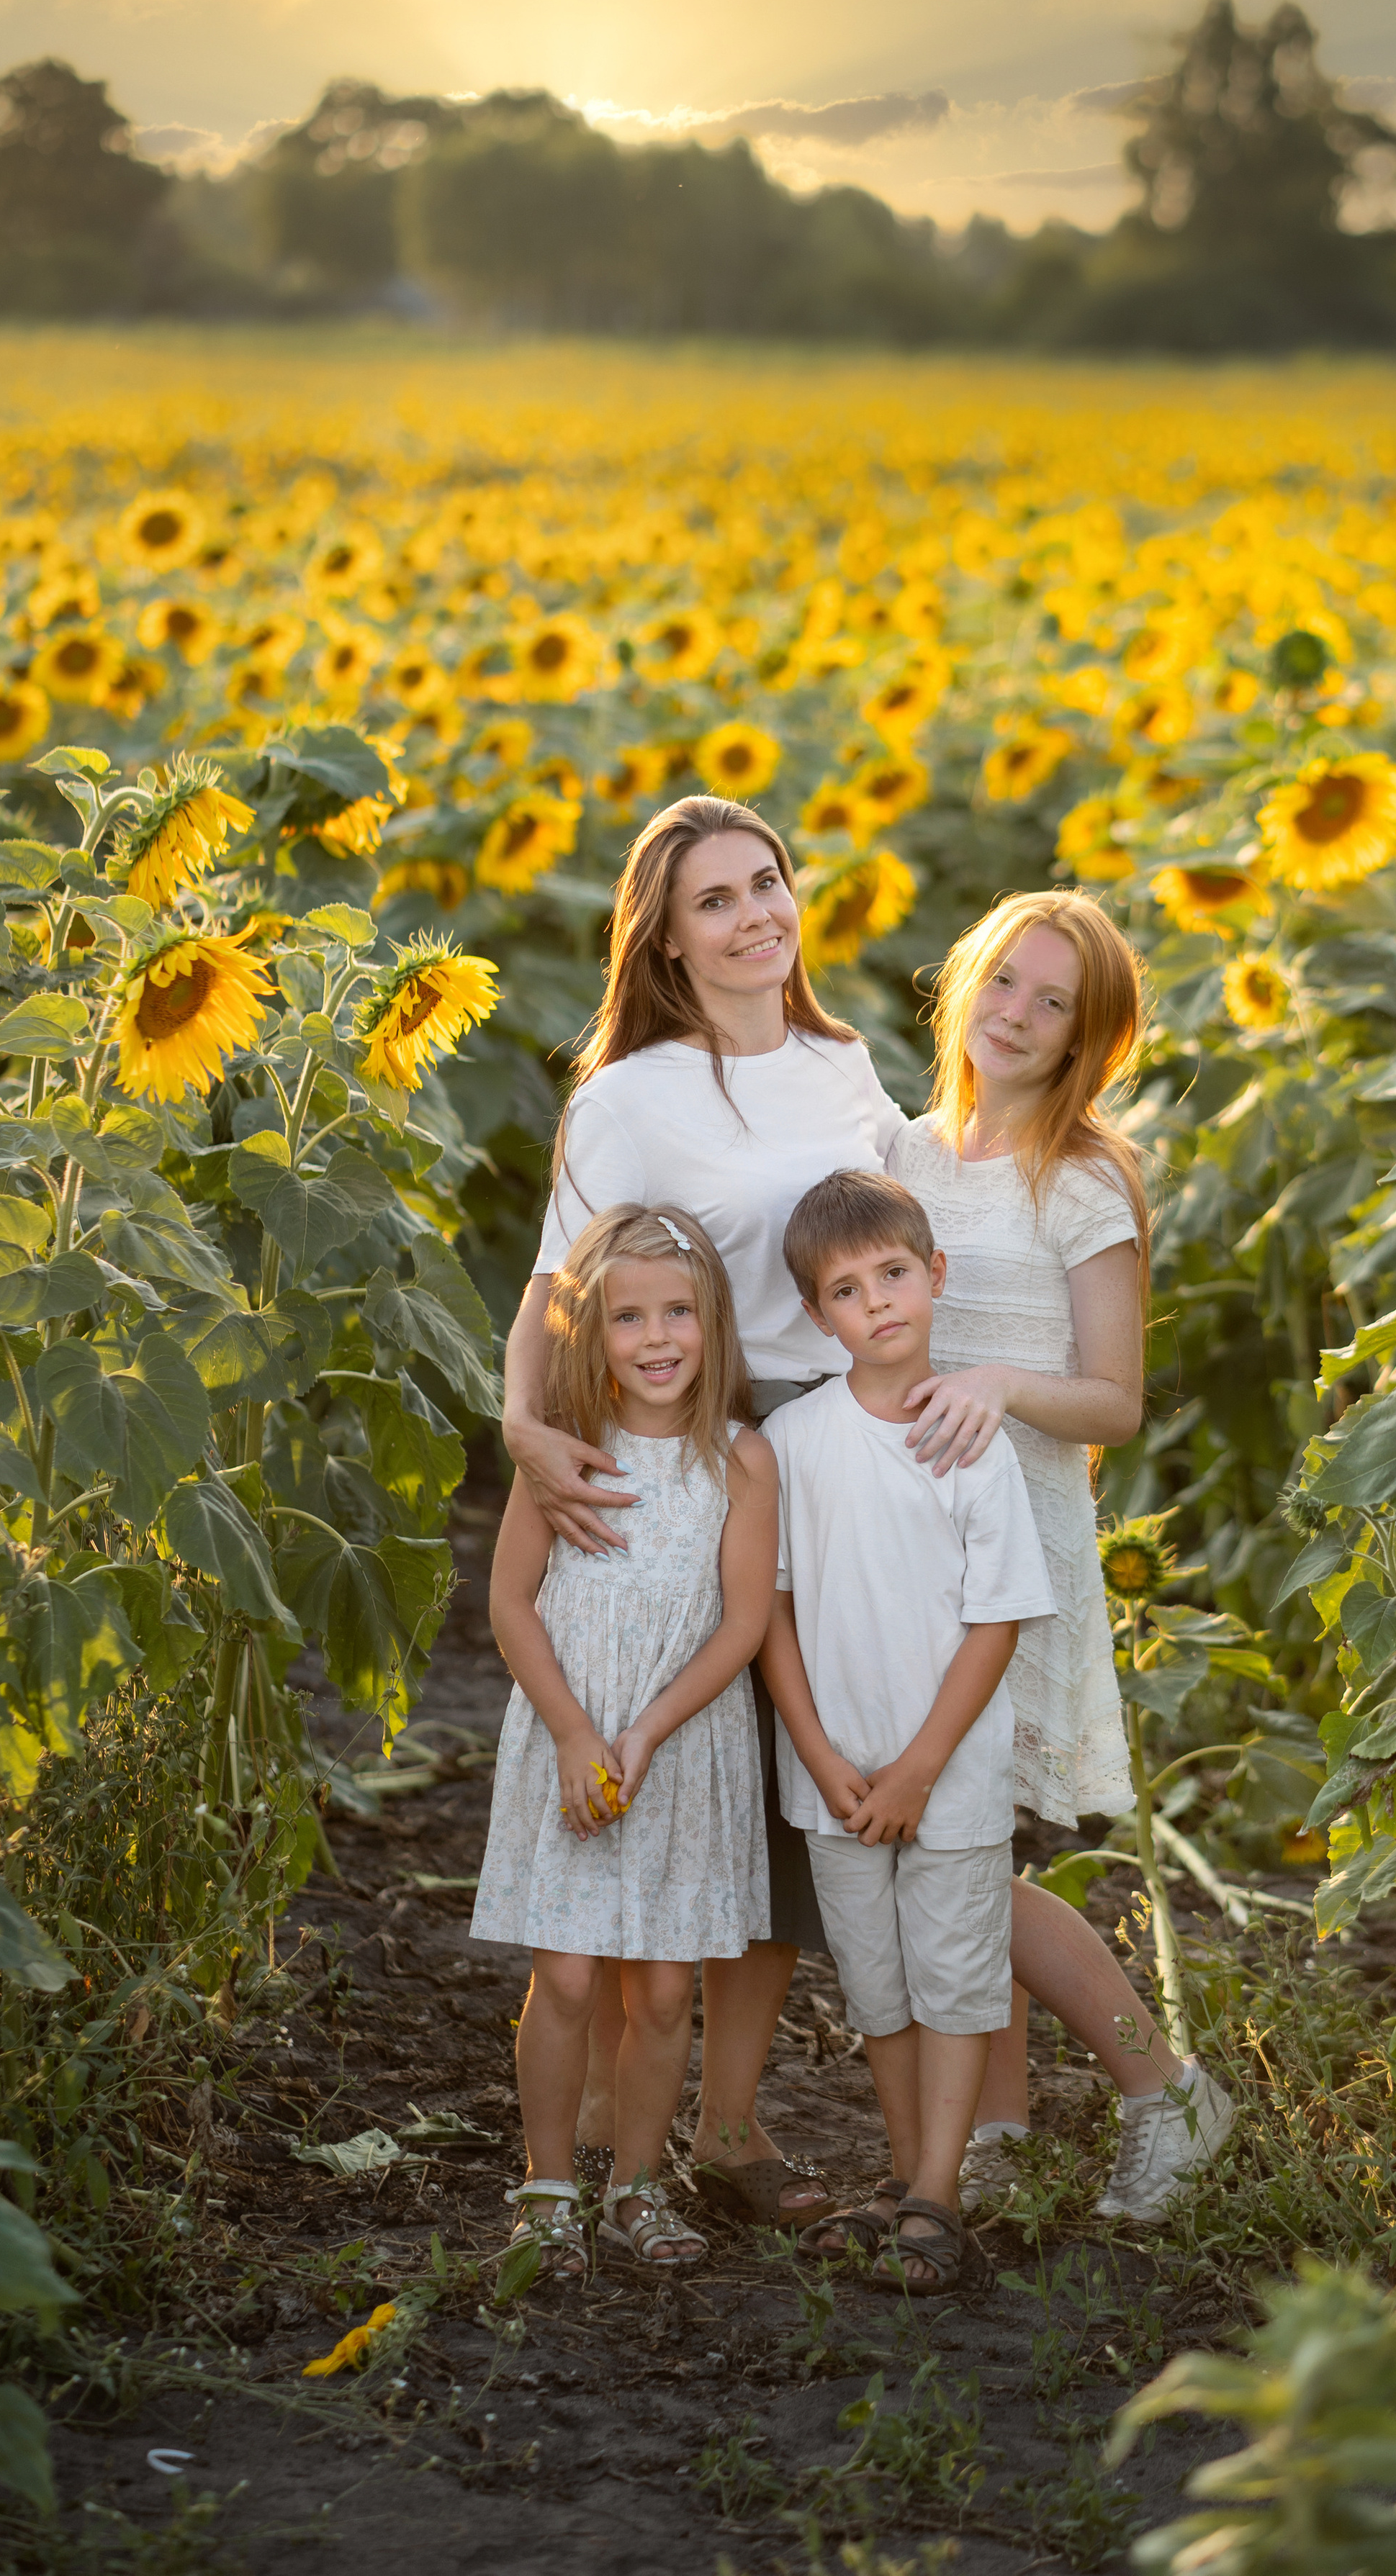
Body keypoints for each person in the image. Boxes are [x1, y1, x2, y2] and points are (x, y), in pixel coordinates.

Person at [500, 796, 983, 2230]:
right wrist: (526, 1430)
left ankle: (725, 2124)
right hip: (685, 1440)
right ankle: (593, 2122)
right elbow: (552, 1289)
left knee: (768, 1795)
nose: (752, 914)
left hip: (826, 1448)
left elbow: (901, 1237)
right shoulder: (629, 1095)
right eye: (713, 899)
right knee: (650, 1756)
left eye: (765, 882)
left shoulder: (843, 1068)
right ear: (663, 937)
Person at [889, 890, 1235, 2223]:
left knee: (966, 1857)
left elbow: (1114, 1403)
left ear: (1089, 1040)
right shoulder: (905, 1153)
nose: (1019, 1017)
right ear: (966, 980)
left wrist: (997, 1377)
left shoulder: (1083, 1181)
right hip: (900, 1541)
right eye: (1007, 983)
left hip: (1011, 1548)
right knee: (958, 1844)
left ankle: (1168, 2093)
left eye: (1055, 1005)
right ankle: (1009, 2137)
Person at [758, 1170, 1055, 2294]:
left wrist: (921, 1767)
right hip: (833, 1779)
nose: (878, 1303)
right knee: (878, 1992)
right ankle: (901, 2173)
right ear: (815, 1315)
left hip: (950, 1777)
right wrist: (826, 1759)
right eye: (847, 1288)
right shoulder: (793, 1441)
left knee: (958, 1983)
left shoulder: (966, 1439)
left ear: (936, 1277)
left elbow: (997, 1620)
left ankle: (940, 2191)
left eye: (894, 1275)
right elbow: (771, 1613)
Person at [472, 1204, 778, 2275]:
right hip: (572, 1736)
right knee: (564, 1978)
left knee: (659, 1993)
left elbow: (744, 1623)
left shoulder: (741, 1462)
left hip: (681, 1745)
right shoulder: (564, 1457)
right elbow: (512, 1605)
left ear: (713, 1321)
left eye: (679, 1312)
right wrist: (573, 1732)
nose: (657, 1339)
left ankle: (637, 2188)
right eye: (627, 1317)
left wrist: (646, 1731)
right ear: (588, 1334)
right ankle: (548, 2186)